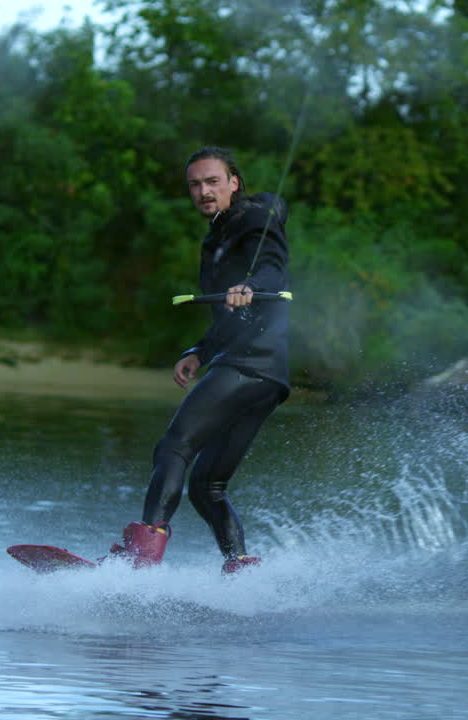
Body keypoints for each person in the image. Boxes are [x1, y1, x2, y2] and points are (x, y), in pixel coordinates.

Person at [108, 146, 291, 573]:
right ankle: (242, 570)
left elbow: (272, 268)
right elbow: (226, 317)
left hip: (249, 362)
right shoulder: (217, 237)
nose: (203, 191)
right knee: (207, 486)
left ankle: (141, 558)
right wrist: (200, 351)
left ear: (234, 183)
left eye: (213, 181)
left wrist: (250, 284)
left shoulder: (252, 221)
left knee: (174, 447)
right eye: (195, 184)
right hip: (266, 373)